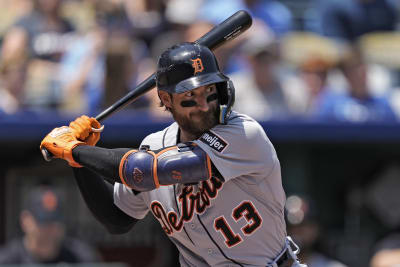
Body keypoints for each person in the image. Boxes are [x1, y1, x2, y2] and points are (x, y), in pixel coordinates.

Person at [40, 42, 307, 267]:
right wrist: (76, 159)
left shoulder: (244, 133)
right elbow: (117, 218)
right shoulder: (155, 143)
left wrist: (78, 149)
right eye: (190, 95)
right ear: (166, 100)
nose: (203, 105)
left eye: (210, 91)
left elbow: (148, 171)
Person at [0, 185, 101, 264]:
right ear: (25, 220)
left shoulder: (81, 258)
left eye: (54, 221)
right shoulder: (7, 260)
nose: (50, 229)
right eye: (43, 221)